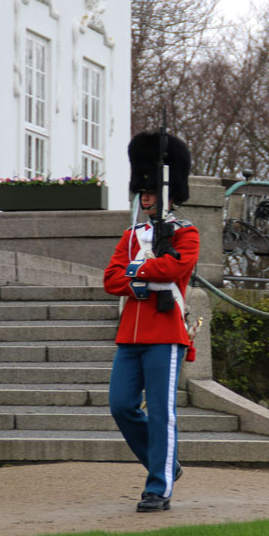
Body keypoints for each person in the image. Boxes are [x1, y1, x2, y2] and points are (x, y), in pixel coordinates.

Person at [103, 129, 199, 513]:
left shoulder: (186, 232)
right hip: (131, 334)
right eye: (142, 194)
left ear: (167, 194)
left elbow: (178, 266)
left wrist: (138, 271)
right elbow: (111, 279)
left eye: (151, 193)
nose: (145, 199)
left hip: (165, 333)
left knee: (162, 412)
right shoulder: (131, 236)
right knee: (121, 406)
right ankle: (166, 464)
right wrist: (142, 276)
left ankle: (158, 487)